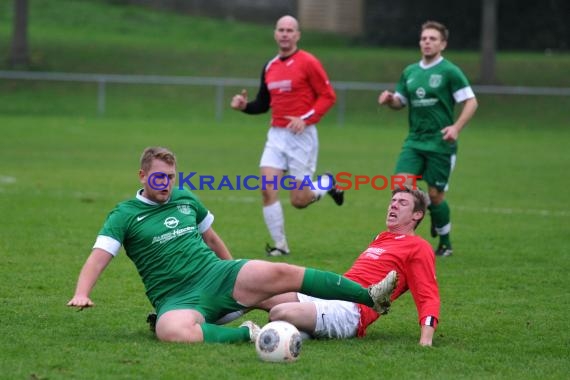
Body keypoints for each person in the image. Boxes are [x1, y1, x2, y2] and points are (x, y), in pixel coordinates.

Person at [67, 146, 398, 344]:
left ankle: (367, 296)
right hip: (176, 297)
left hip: (217, 275)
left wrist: (234, 269)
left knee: (280, 273)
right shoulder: (125, 215)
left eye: (171, 176)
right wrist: (82, 292)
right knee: (170, 331)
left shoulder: (184, 198)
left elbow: (211, 238)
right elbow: (99, 256)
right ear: (142, 176)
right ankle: (249, 334)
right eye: (159, 177)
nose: (167, 183)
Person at [257, 186, 440, 346]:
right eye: (393, 201)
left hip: (352, 312)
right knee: (263, 294)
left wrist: (426, 340)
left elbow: (428, 297)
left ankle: (270, 334)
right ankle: (299, 332)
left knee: (279, 312)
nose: (393, 205)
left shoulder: (419, 247)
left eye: (402, 203)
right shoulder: (381, 238)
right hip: (336, 293)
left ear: (417, 215)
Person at [230, 15, 342, 257]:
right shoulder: (270, 67)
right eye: (281, 29)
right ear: (275, 33)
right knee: (267, 188)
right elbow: (262, 104)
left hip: (301, 136)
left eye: (290, 30)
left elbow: (328, 95)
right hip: (276, 136)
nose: (285, 34)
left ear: (297, 35)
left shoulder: (308, 62)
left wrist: (306, 118)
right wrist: (243, 106)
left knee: (299, 200)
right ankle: (280, 245)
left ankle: (327, 183)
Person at [378, 20, 478, 257]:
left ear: (442, 44)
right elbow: (400, 102)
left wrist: (456, 127)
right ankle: (402, 243)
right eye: (424, 38)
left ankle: (445, 242)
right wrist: (390, 100)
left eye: (433, 39)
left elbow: (471, 101)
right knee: (400, 188)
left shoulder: (449, 71)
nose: (427, 42)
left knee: (435, 196)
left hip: (440, 143)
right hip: (414, 141)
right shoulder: (410, 72)